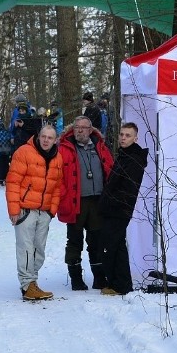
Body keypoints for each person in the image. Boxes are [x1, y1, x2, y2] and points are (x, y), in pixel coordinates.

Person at [5, 124, 63, 300]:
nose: (46, 140)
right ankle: (27, 284)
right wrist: (14, 210)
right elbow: (13, 182)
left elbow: (57, 186)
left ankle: (31, 282)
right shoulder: (24, 152)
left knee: (39, 250)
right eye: (43, 136)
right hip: (25, 209)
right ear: (38, 136)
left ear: (55, 140)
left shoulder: (57, 157)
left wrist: (51, 211)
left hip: (44, 212)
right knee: (26, 248)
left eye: (50, 138)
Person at [57, 115, 113, 290]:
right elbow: (57, 176)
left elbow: (110, 169)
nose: (80, 130)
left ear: (90, 130)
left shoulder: (100, 147)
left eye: (84, 127)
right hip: (75, 202)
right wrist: (63, 196)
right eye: (77, 127)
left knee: (96, 241)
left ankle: (99, 278)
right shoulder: (63, 149)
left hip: (97, 201)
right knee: (74, 241)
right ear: (73, 130)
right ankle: (76, 279)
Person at [96, 122, 148, 296]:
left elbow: (127, 190)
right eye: (122, 134)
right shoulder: (124, 155)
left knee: (111, 246)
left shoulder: (134, 159)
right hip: (113, 208)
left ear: (135, 138)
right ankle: (120, 284)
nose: (123, 138)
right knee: (116, 246)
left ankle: (119, 285)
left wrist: (109, 201)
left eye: (128, 135)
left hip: (119, 210)